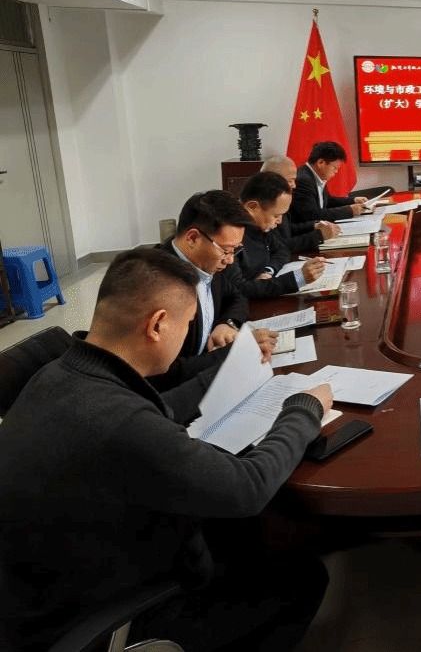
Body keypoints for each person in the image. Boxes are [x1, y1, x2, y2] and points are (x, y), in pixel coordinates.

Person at [0, 249, 332, 652]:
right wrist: (304, 409)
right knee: (303, 578)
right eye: (187, 323)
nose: (187, 334)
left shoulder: (61, 373)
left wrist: (230, 372)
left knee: (244, 532)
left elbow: (157, 409)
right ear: (158, 324)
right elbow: (248, 486)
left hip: (46, 584)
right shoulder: (120, 422)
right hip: (101, 617)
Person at [158, 190, 275, 388]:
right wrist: (236, 350)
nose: (230, 260)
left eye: (235, 250)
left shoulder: (207, 263)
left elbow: (237, 296)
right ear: (192, 238)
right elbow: (165, 373)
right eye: (226, 250)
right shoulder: (158, 283)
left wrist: (227, 323)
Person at [229, 171, 327, 300]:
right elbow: (238, 290)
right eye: (276, 215)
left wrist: (268, 270)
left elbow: (282, 250)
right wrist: (297, 278)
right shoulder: (230, 235)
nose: (279, 221)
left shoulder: (260, 225)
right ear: (252, 207)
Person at [261, 155, 340, 255]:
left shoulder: (278, 198)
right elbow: (278, 247)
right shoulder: (263, 204)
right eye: (290, 180)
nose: (294, 185)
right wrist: (318, 236)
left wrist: (313, 225)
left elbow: (286, 229)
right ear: (273, 179)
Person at [291, 141, 369, 222]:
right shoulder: (303, 180)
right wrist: (349, 210)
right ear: (321, 163)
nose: (336, 171)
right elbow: (311, 215)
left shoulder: (315, 175)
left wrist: (353, 200)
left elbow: (327, 201)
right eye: (335, 168)